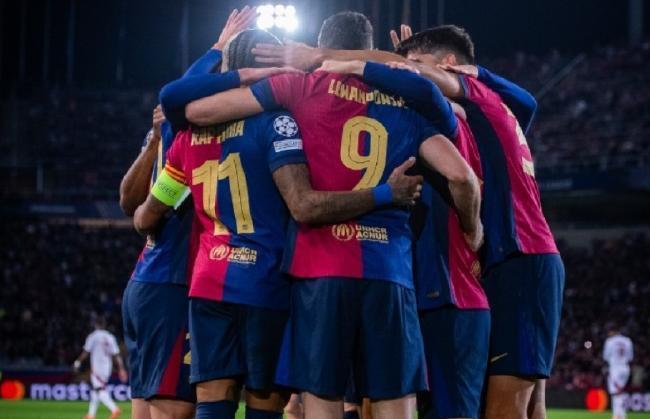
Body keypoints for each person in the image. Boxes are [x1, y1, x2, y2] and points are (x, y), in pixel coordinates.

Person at [184, 12, 483, 419]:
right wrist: (472, 229)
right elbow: (462, 178)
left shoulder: (300, 87)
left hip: (318, 271)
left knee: (322, 401)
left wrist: (239, 69)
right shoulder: (407, 104)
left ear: (320, 45)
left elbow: (197, 111)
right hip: (389, 273)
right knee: (392, 402)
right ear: (368, 48)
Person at [135, 27, 424, 419]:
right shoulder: (279, 123)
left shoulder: (188, 135)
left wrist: (215, 52)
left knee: (213, 401)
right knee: (265, 403)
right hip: (265, 282)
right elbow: (301, 202)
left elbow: (145, 216)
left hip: (208, 284)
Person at [393, 25, 565, 419]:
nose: (414, 71)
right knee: (529, 404)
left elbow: (421, 78)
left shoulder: (480, 98)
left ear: (450, 65)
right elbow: (528, 101)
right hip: (516, 258)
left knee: (507, 408)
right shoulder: (487, 112)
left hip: (521, 257)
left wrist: (391, 65)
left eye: (420, 63)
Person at [119, 7, 255, 419]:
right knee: (175, 408)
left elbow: (139, 213)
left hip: (156, 279)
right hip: (173, 283)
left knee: (149, 407)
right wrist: (219, 49)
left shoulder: (178, 129)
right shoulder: (187, 134)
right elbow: (133, 207)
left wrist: (215, 49)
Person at [73, 318, 127, 419]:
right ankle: (91, 415)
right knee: (95, 390)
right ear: (104, 325)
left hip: (97, 367)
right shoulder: (110, 337)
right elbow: (116, 355)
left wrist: (77, 362)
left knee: (98, 389)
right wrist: (121, 368)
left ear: (95, 325)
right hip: (107, 368)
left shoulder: (93, 336)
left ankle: (114, 409)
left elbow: (86, 352)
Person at [603, 329, 634, 419]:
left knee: (616, 393)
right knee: (620, 392)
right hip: (625, 368)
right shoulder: (628, 340)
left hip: (615, 368)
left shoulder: (610, 341)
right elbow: (630, 357)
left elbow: (605, 356)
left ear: (613, 332)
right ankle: (621, 415)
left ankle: (616, 415)